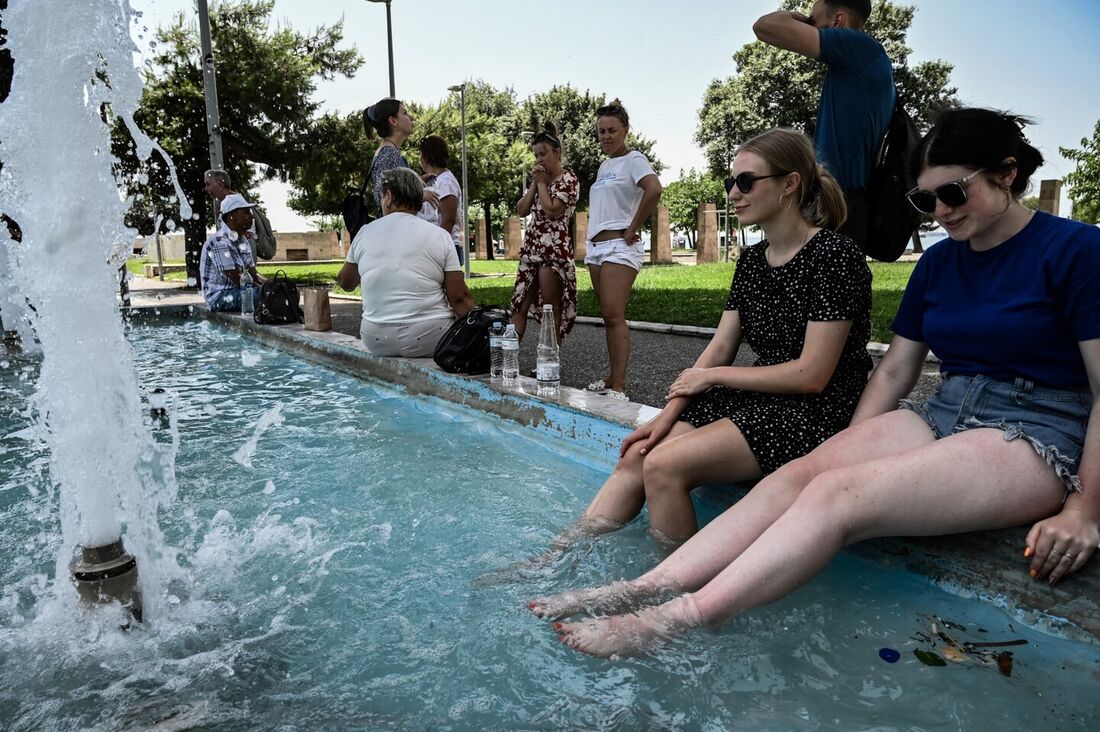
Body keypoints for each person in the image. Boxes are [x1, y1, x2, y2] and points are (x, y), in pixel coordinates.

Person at [529, 109, 1100, 658]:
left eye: (953, 193)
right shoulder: (938, 264)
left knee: (832, 494)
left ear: (1006, 173)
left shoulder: (1076, 251)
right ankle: (642, 588)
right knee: (801, 475)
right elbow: (898, 370)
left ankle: (678, 618)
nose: (940, 213)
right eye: (925, 200)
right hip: (945, 410)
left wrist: (1085, 509)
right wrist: (842, 450)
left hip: (1036, 424)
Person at [522, 127, 870, 559]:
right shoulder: (752, 261)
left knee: (665, 466)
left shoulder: (835, 256)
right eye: (731, 182)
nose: (733, 194)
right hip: (759, 394)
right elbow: (720, 346)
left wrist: (711, 377)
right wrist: (667, 415)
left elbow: (813, 374)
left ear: (790, 184)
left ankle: (668, 595)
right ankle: (555, 558)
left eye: (746, 182)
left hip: (816, 410)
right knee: (639, 453)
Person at [753, 0, 894, 250]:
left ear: (838, 22)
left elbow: (765, 27)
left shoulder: (858, 47)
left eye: (813, 21)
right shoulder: (870, 60)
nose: (809, 25)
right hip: (847, 200)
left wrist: (798, 18)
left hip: (837, 200)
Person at [338, 167, 475, 357]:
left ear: (388, 196)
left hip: (376, 339)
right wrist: (476, 329)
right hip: (429, 337)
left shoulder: (365, 232)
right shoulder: (440, 236)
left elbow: (346, 283)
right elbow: (458, 296)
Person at [584, 100, 663, 400]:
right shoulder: (605, 165)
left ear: (626, 130)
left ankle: (619, 386)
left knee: (614, 314)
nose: (605, 136)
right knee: (607, 315)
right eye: (601, 131)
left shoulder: (634, 159)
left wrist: (632, 227)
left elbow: (654, 189)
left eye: (612, 131)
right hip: (596, 249)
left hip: (620, 246)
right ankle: (611, 376)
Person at [510, 122, 581, 343]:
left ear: (557, 152)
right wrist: (535, 184)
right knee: (519, 301)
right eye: (536, 155)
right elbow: (521, 210)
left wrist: (541, 184)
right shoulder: (539, 181)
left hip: (553, 247)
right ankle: (508, 356)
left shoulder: (568, 180)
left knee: (550, 307)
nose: (540, 159)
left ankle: (550, 358)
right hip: (532, 245)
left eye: (544, 154)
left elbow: (552, 210)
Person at [363, 98, 438, 216]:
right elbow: (388, 198)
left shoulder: (388, 152)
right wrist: (421, 195)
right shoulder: (389, 155)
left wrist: (417, 181)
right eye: (405, 113)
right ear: (393, 121)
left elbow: (395, 187)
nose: (411, 117)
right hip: (393, 230)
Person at [199, 194, 266, 312]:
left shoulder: (243, 240)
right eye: (246, 212)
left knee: (284, 291)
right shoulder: (219, 242)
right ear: (231, 216)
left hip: (238, 291)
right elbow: (239, 280)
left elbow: (253, 274)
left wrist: (272, 284)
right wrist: (268, 291)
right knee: (268, 296)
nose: (252, 216)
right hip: (220, 297)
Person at [203, 169, 277, 260]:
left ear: (221, 185)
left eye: (208, 184)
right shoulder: (231, 202)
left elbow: (247, 233)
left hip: (242, 254)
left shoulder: (235, 203)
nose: (206, 189)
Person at [416, 135, 464, 264]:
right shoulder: (432, 180)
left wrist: (436, 246)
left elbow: (448, 220)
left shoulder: (446, 182)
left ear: (428, 157)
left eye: (421, 154)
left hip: (444, 247)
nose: (420, 159)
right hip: (432, 246)